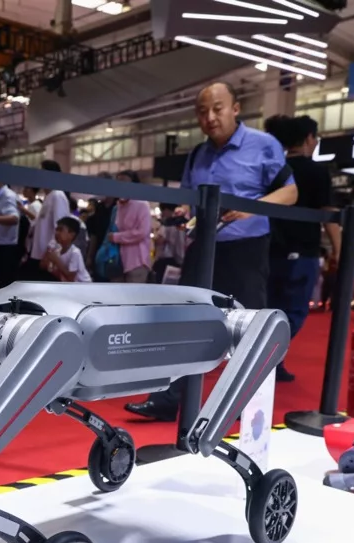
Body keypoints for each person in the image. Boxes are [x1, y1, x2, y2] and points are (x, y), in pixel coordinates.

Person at [125, 81, 297, 422]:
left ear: (235, 108)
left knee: (250, 327)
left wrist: (251, 208)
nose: (210, 118)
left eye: (218, 109)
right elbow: (190, 199)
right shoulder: (197, 154)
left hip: (246, 248)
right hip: (203, 247)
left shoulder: (264, 145)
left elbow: (290, 193)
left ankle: (246, 404)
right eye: (202, 112)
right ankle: (168, 399)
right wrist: (182, 213)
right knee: (184, 322)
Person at [263, 114, 341, 382]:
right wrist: (339, 250)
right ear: (309, 138)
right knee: (294, 312)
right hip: (302, 252)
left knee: (269, 309)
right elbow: (329, 215)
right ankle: (266, 360)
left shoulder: (277, 168)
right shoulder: (316, 171)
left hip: (269, 249)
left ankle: (272, 361)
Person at [23, 160, 71, 281]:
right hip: (38, 254)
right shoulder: (48, 197)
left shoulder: (57, 196)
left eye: (41, 172)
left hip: (46, 257)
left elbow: (60, 229)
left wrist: (49, 254)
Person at [109, 170, 153, 284]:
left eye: (124, 182)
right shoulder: (118, 206)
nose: (121, 186)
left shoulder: (141, 204)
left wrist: (116, 237)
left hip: (137, 261)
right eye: (118, 182)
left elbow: (142, 232)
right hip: (118, 260)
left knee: (134, 293)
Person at [41, 216, 92, 283]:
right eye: (56, 230)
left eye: (60, 230)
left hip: (83, 286)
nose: (57, 233)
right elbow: (59, 274)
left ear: (71, 234)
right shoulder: (57, 251)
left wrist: (56, 260)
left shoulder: (75, 253)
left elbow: (70, 278)